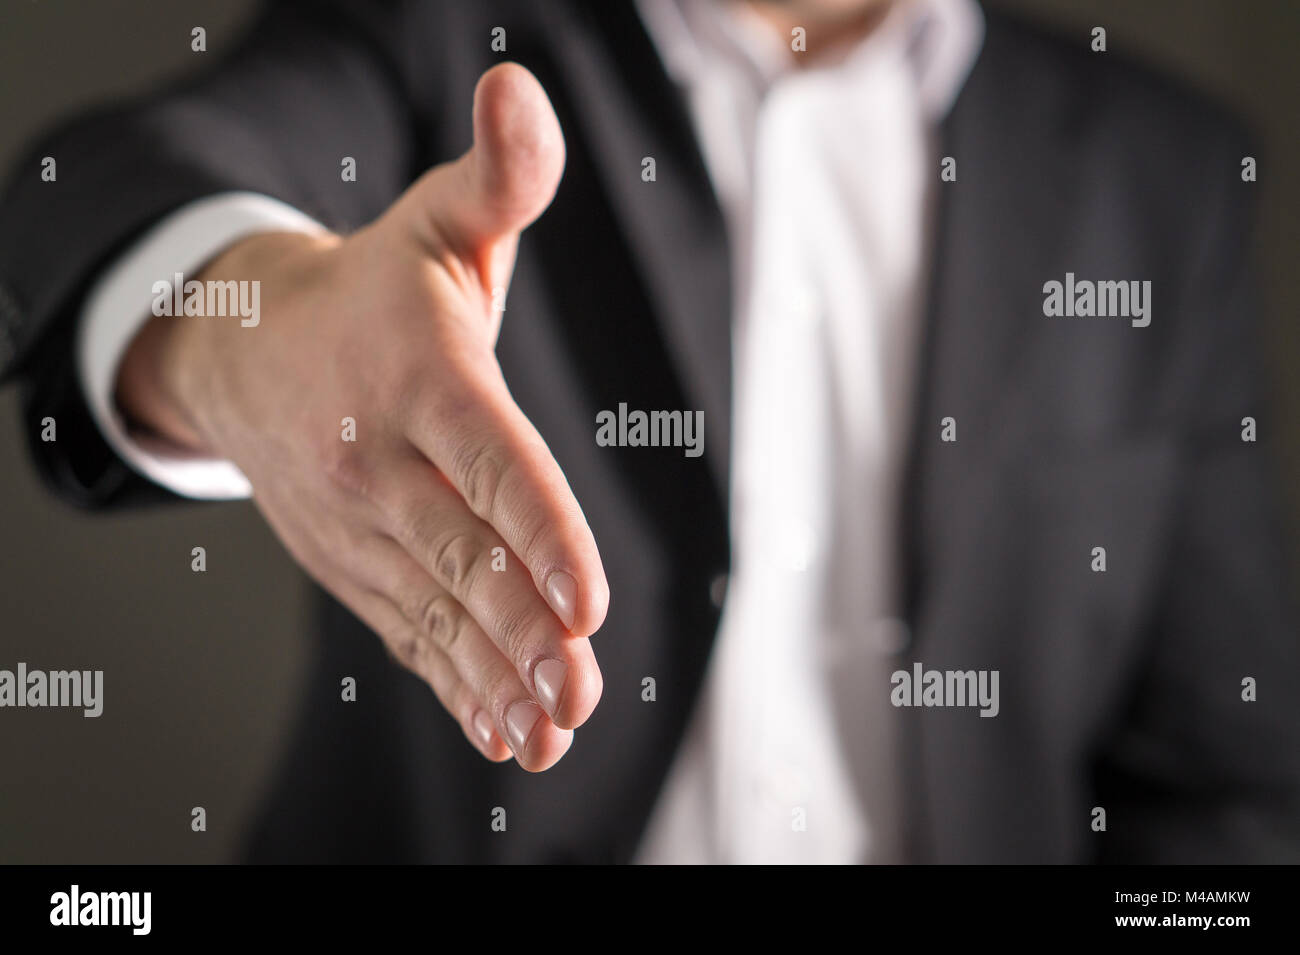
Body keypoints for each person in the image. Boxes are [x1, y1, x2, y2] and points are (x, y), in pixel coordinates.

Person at [1, 0, 1297, 863]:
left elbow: (1223, 782)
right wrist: (251, 336)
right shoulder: (445, 34)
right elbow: (112, 176)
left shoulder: (1160, 176)